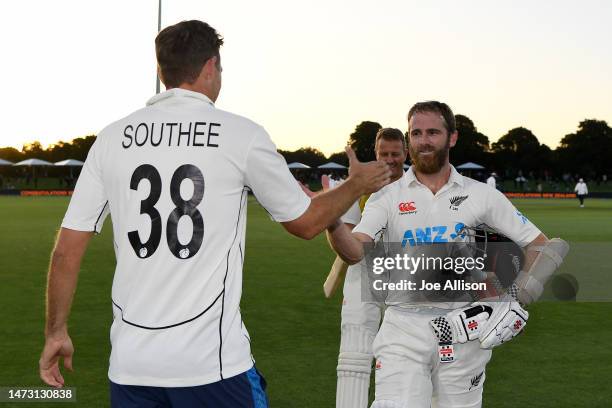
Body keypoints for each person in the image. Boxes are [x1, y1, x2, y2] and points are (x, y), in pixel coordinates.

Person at [38, 20, 391, 407]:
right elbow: (306, 223)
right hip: (212, 365)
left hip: (131, 367)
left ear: (162, 71)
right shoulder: (240, 134)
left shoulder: (111, 138)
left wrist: (56, 332)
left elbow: (65, 251)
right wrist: (355, 185)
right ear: (210, 67)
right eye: (219, 68)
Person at [326, 101, 568, 408]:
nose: (424, 140)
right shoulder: (386, 196)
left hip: (464, 330)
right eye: (416, 133)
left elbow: (544, 247)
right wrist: (332, 219)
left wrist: (513, 299)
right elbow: (354, 251)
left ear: (451, 137)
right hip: (402, 327)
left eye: (433, 132)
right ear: (408, 138)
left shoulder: (482, 195)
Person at [330, 128, 408, 408]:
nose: (389, 159)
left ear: (405, 153)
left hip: (406, 277)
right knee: (354, 356)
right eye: (383, 153)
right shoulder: (360, 185)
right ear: (375, 153)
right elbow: (347, 236)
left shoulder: (419, 183)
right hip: (363, 274)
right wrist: (332, 217)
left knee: (402, 355)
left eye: (395, 154)